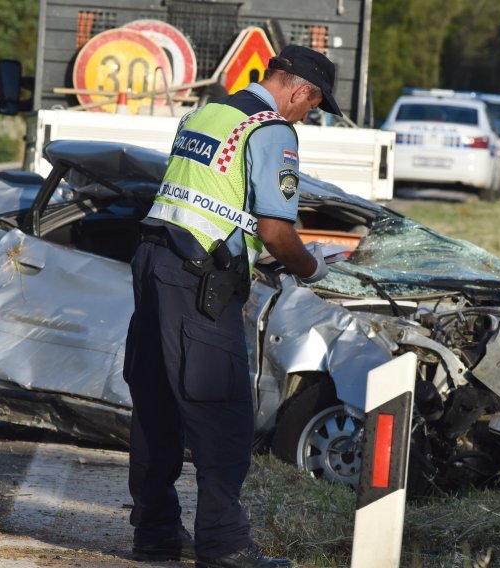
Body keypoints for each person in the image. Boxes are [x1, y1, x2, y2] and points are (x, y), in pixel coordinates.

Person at [123, 45, 342, 568]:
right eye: (311, 105)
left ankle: (154, 536)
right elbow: (274, 229)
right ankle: (224, 546)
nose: (306, 116)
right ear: (298, 90)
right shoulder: (271, 130)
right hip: (199, 283)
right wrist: (311, 267)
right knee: (221, 412)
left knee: (156, 407)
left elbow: (207, 199)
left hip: (154, 265)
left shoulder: (209, 111)